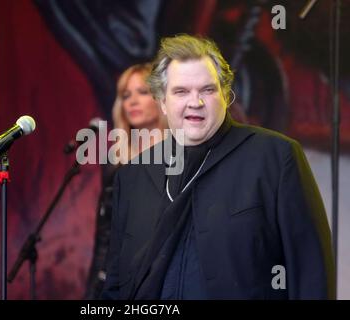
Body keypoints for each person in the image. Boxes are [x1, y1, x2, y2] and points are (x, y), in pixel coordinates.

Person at [101, 34, 335, 299]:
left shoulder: (275, 157)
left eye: (207, 90)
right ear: (162, 102)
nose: (195, 102)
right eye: (181, 91)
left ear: (226, 94)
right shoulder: (132, 176)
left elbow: (309, 273)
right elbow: (115, 286)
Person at [85, 63, 168, 299]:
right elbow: (105, 233)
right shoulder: (116, 162)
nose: (132, 101)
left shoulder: (183, 156)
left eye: (142, 92)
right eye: (125, 95)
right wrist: (94, 289)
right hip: (120, 283)